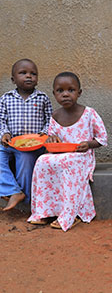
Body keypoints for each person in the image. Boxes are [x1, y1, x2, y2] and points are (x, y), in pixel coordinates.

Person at [27, 72, 107, 231]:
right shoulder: (55, 115)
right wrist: (51, 139)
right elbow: (51, 136)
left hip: (82, 156)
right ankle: (44, 211)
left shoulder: (89, 113)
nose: (65, 94)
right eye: (60, 91)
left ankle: (70, 214)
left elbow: (102, 138)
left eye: (71, 90)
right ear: (54, 94)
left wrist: (89, 144)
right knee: (42, 161)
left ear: (79, 92)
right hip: (60, 155)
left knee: (67, 162)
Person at [0, 59, 52, 211]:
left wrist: (44, 134)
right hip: (9, 143)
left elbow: (49, 120)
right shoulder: (6, 99)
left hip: (31, 145)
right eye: (23, 73)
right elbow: (1, 120)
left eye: (33, 74)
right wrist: (4, 134)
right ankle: (13, 191)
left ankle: (28, 202)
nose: (29, 76)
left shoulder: (42, 98)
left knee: (25, 162)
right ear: (13, 79)